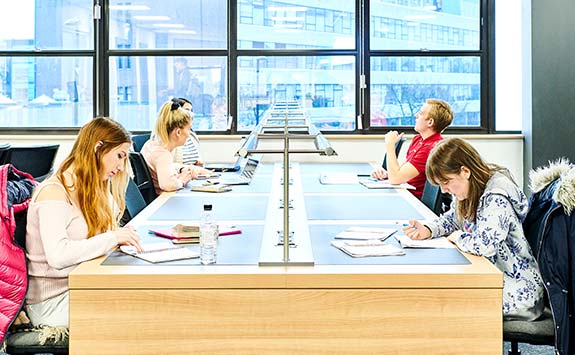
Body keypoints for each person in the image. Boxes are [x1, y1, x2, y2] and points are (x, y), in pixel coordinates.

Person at [402, 137, 544, 321]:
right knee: (439, 297)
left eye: (446, 182)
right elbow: (453, 219)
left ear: (465, 171)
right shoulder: (471, 189)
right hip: (494, 277)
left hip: (519, 291)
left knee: (444, 303)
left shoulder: (495, 197)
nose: (444, 190)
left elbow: (485, 246)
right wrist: (428, 229)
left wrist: (458, 237)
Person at [25, 117, 143, 328]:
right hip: (53, 302)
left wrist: (118, 237)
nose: (121, 166)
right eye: (119, 156)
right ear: (98, 148)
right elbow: (58, 255)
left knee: (145, 300)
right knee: (136, 313)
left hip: (82, 285)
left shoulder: (89, 188)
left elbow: (100, 235)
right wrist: (113, 237)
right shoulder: (54, 192)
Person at [371, 98, 453, 199]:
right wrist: (387, 174)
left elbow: (396, 178)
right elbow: (400, 172)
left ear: (430, 122)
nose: (416, 115)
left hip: (413, 200)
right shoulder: (418, 139)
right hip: (405, 194)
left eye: (421, 113)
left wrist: (390, 146)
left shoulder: (431, 148)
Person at [141, 100, 211, 194]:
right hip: (162, 200)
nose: (189, 133)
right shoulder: (163, 154)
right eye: (189, 129)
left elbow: (165, 167)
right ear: (178, 132)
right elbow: (168, 185)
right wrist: (182, 180)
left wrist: (183, 169)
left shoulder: (152, 144)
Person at [172, 97, 203, 166]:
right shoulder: (170, 136)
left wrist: (198, 164)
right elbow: (168, 165)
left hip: (194, 173)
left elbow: (198, 158)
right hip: (180, 174)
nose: (190, 114)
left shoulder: (192, 135)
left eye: (191, 111)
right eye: (187, 110)